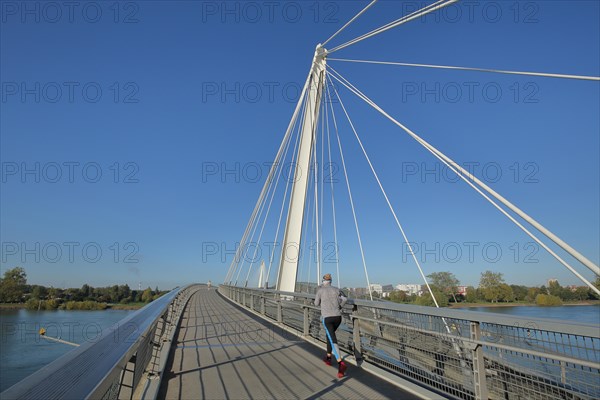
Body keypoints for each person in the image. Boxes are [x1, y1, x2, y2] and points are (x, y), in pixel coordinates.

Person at [314, 273, 348, 378]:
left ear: (323, 281)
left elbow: (316, 303)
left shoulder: (320, 290)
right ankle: (328, 358)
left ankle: (340, 363)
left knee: (333, 340)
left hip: (327, 318)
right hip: (338, 317)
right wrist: (339, 306)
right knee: (330, 336)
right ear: (331, 281)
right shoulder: (337, 289)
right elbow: (345, 299)